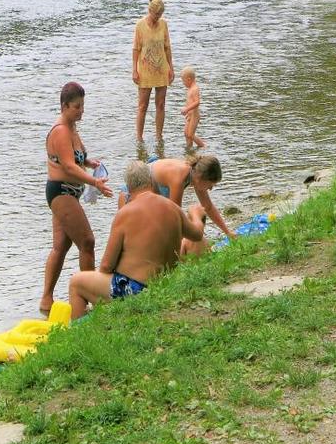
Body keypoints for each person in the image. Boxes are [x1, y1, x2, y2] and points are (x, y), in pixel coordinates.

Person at [69, 161, 204, 318]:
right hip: (165, 284)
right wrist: (196, 214)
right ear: (151, 181)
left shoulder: (125, 213)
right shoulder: (173, 207)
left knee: (76, 282)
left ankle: (80, 330)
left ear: (129, 187)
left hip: (136, 290)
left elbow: (106, 266)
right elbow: (197, 235)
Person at [40, 81, 112, 316]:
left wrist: (90, 164)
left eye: (82, 106)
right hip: (61, 191)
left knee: (61, 246)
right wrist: (95, 183)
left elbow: (74, 160)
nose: (81, 111)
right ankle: (89, 298)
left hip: (69, 192)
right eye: (76, 107)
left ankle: (46, 302)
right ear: (64, 106)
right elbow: (69, 167)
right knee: (87, 242)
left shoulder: (72, 127)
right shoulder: (61, 130)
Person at [117, 154, 235, 240]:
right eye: (210, 185)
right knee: (130, 237)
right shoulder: (179, 177)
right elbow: (175, 216)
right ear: (201, 178)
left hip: (149, 196)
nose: (210, 189)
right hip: (131, 195)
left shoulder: (193, 174)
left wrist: (228, 232)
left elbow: (208, 207)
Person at [133, 0, 174, 142]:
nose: (158, 17)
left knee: (161, 104)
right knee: (143, 106)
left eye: (160, 14)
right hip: (144, 70)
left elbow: (167, 47)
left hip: (161, 68)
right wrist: (134, 70)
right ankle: (139, 137)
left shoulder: (163, 24)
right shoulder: (140, 25)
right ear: (150, 11)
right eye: (156, 14)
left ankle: (158, 135)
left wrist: (171, 68)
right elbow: (136, 49)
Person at [180, 66, 205, 149]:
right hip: (190, 115)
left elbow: (197, 102)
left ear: (189, 79)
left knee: (190, 134)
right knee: (186, 133)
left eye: (183, 81)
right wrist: (187, 111)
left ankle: (202, 146)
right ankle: (189, 149)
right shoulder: (190, 88)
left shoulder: (195, 89)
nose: (183, 83)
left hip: (194, 116)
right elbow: (190, 102)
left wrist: (187, 109)